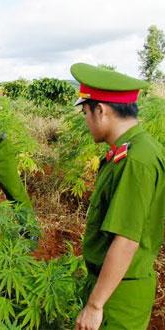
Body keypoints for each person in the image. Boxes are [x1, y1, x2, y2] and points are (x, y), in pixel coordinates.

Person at [71, 63, 164, 330]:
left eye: (85, 112)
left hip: (119, 294)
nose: (85, 120)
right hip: (114, 284)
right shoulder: (132, 150)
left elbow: (126, 241)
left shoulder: (135, 160)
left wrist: (95, 305)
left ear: (101, 111)